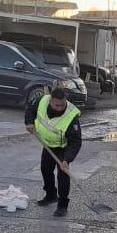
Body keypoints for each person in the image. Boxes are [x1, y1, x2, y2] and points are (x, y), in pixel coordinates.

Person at [25, 88, 82, 217]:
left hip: (63, 147)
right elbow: (30, 109)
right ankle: (51, 195)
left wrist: (67, 160)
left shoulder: (71, 117)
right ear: (50, 101)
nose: (60, 108)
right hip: (48, 144)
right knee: (45, 169)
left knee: (63, 174)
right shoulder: (41, 101)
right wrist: (29, 122)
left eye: (62, 105)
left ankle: (62, 205)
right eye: (56, 105)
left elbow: (75, 142)